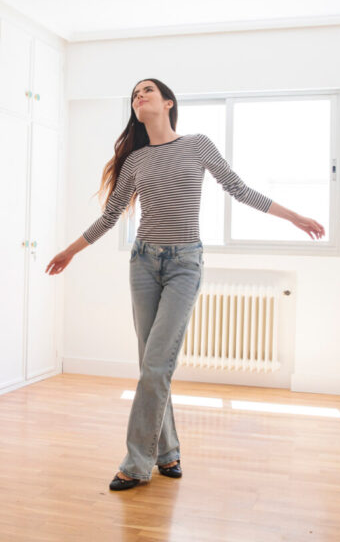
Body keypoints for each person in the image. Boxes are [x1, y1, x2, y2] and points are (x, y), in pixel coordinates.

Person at [45, 78, 325, 491]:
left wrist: (295, 217)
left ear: (168, 102)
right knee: (151, 366)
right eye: (134, 96)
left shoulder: (197, 145)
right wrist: (70, 251)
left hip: (184, 265)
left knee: (157, 364)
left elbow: (239, 189)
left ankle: (136, 463)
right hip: (143, 263)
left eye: (147, 92)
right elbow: (110, 217)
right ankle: (167, 451)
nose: (139, 98)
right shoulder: (136, 160)